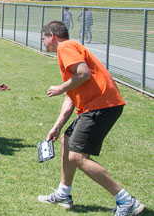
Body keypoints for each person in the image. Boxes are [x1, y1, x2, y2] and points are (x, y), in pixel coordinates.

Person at [38, 21, 144, 216]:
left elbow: (83, 74)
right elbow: (71, 97)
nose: (43, 43)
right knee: (67, 141)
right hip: (97, 105)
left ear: (51, 36)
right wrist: (57, 126)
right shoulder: (69, 51)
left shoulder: (66, 47)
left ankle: (126, 201)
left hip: (102, 105)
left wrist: (60, 87)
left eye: (43, 38)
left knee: (77, 156)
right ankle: (64, 193)